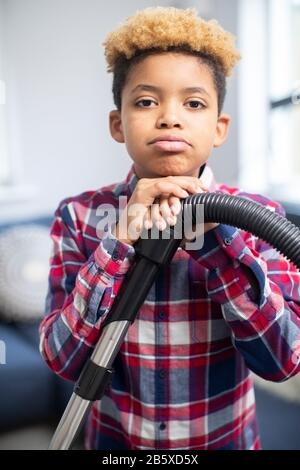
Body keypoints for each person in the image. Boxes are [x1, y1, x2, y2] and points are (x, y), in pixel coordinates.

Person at [39, 7, 300, 450]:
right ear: (117, 124)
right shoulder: (79, 215)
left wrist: (221, 242)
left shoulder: (259, 216)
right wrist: (117, 242)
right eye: (146, 101)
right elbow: (62, 359)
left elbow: (282, 360)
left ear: (219, 128)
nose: (169, 117)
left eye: (193, 103)